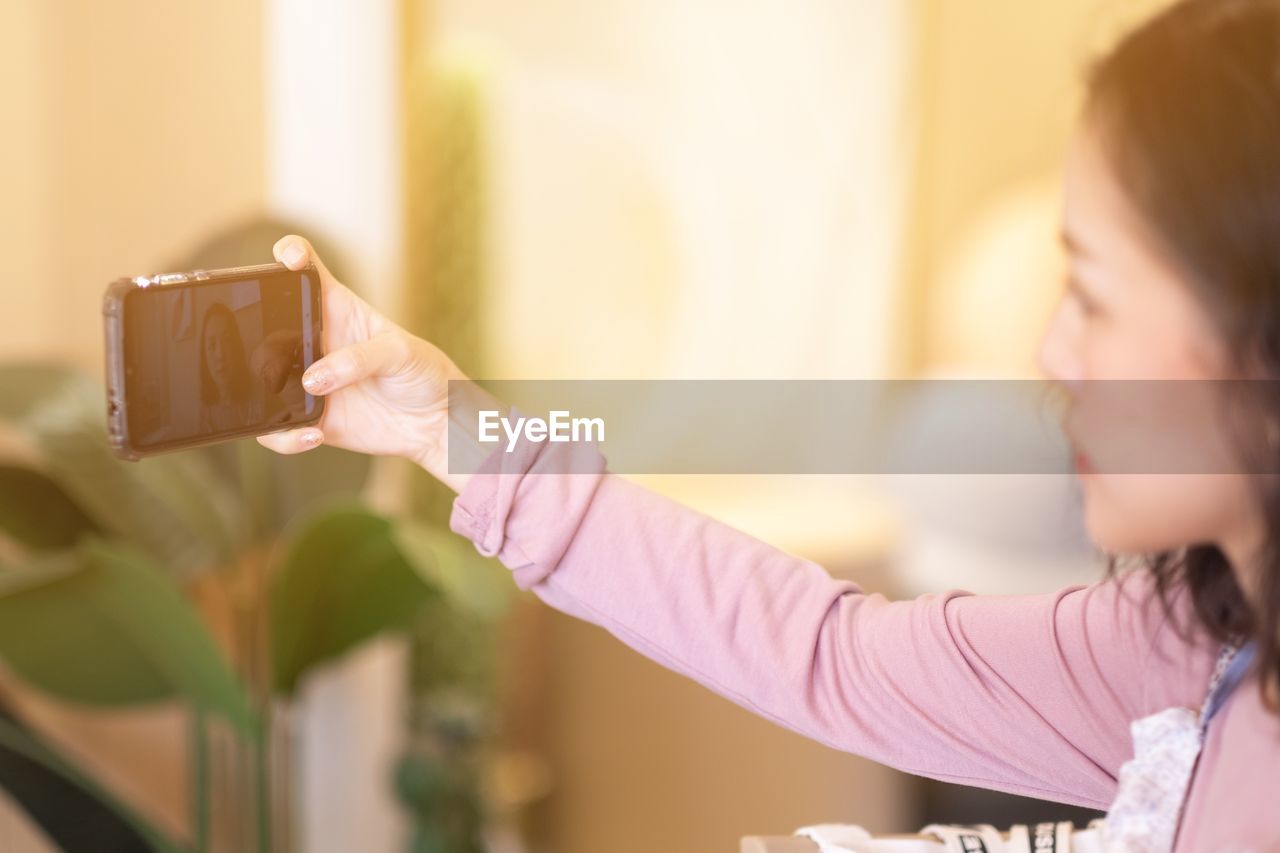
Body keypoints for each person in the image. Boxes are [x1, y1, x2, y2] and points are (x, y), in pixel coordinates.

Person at [257, 0, 1280, 848]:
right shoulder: (1196, 646)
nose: (1051, 354)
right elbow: (834, 656)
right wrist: (444, 425)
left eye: (1092, 298)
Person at [198, 301, 263, 433]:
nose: (220, 355)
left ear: (236, 346)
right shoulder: (202, 417)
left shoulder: (258, 400)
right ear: (204, 355)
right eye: (211, 345)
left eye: (227, 340)